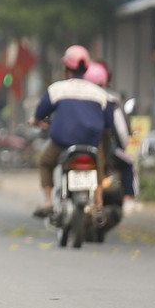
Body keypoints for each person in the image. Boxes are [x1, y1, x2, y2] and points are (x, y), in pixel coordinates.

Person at [30, 45, 114, 217]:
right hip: (91, 145)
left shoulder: (57, 89)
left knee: (45, 162)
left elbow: (40, 113)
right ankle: (98, 202)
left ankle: (48, 202)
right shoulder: (100, 93)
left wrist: (36, 121)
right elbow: (109, 123)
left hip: (62, 143)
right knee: (99, 164)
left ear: (66, 68)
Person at [84, 61, 136, 209]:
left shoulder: (79, 97)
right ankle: (127, 199)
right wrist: (122, 145)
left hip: (78, 144)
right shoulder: (110, 100)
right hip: (104, 148)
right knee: (129, 163)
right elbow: (119, 129)